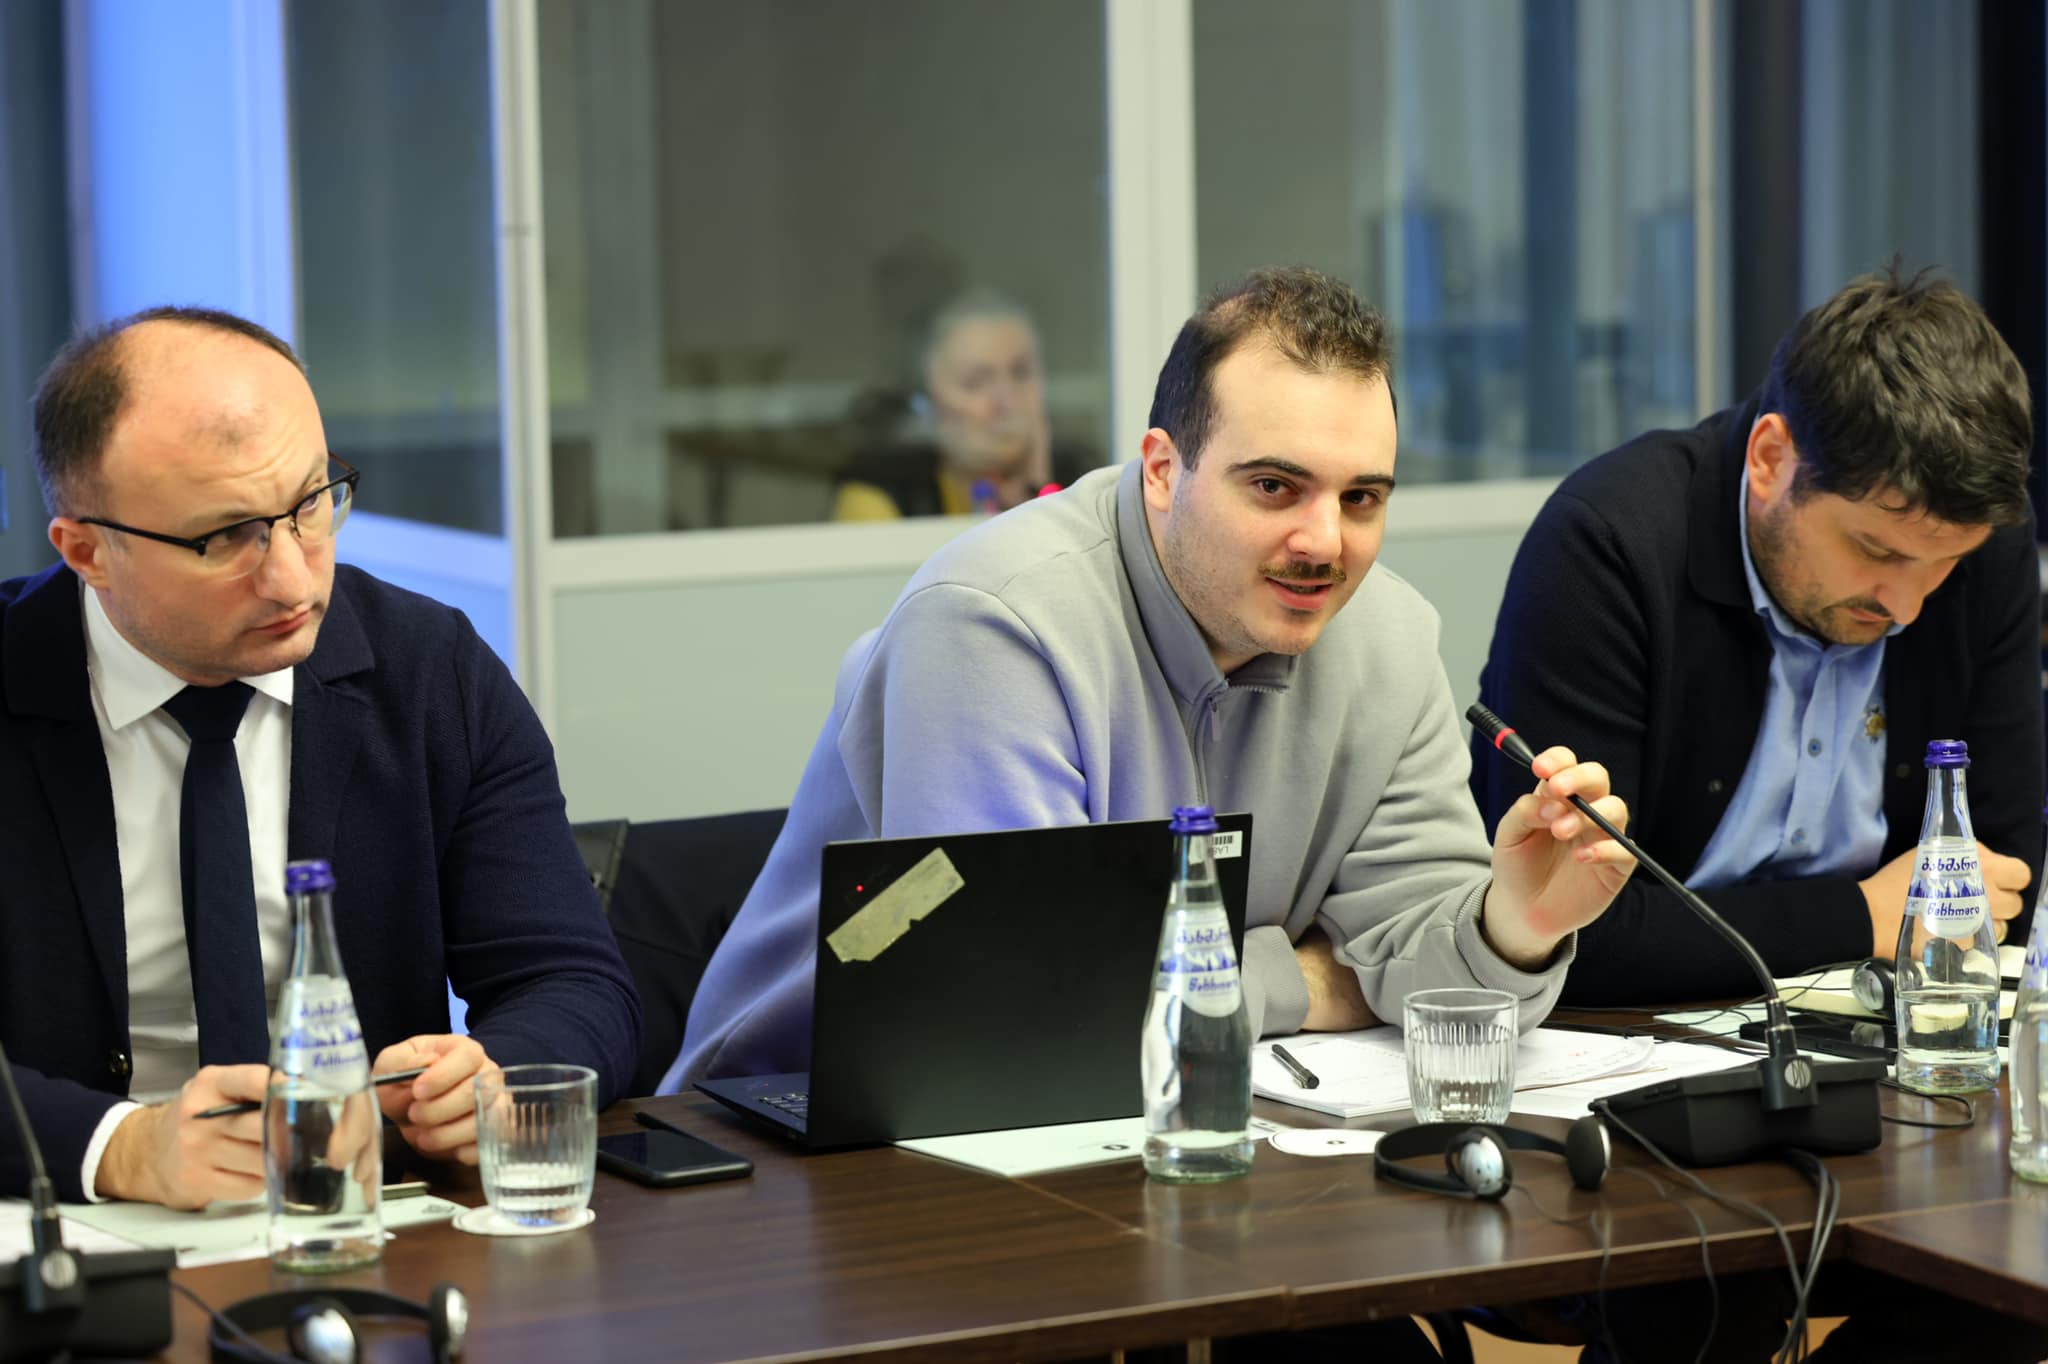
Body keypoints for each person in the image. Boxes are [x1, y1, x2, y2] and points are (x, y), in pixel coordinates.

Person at [675, 265, 1635, 1092]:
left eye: (1362, 498)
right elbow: (1030, 1008)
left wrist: (1512, 926)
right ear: (1163, 471)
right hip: (804, 1133)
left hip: (1177, 1113)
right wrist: (1304, 980)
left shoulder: (1389, 636)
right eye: (1275, 487)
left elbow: (1431, 989)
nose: (1324, 543)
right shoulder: (992, 622)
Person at [0, 306, 640, 1208]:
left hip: (366, 1221)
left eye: (310, 504)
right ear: (87, 551)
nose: (293, 580)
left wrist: (492, 1076)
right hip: (73, 1230)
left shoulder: (430, 670)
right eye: (223, 537)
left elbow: (574, 982)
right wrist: (122, 1147)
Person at [1471, 265, 2043, 1008]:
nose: (1906, 606)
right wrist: (1861, 916)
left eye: (1944, 565)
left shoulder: (1988, 551)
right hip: (1626, 1040)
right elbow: (1558, 926)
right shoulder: (1607, 547)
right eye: (1876, 551)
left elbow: (2002, 888)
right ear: (1772, 459)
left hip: (1882, 1018)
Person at [833, 291, 1093, 520]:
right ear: (930, 401)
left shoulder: (1084, 487)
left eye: (1020, 373)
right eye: (975, 382)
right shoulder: (881, 495)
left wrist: (1038, 492)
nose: (1007, 402)